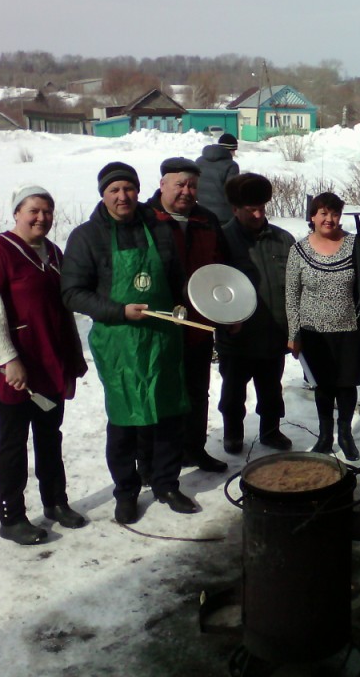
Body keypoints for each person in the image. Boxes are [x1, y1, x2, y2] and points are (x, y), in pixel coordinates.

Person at [61, 162, 197, 524]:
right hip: (118, 340)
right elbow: (73, 293)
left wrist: (185, 301)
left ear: (138, 191)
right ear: (103, 195)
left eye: (129, 189)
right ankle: (126, 491)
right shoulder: (86, 236)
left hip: (162, 336)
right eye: (114, 190)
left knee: (168, 413)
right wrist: (120, 311)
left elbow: (176, 278)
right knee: (125, 420)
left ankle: (167, 483)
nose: (123, 196)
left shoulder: (159, 228)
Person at [0, 185, 89, 545]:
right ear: (17, 213)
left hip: (49, 361)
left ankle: (56, 501)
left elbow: (62, 306)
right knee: (13, 441)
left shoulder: (53, 253)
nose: (42, 218)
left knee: (49, 435)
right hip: (16, 367)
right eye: (34, 211)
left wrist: (72, 354)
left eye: (48, 211)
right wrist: (9, 360)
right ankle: (12, 517)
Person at [146, 157, 229, 473]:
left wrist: (225, 311)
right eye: (179, 183)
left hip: (198, 323)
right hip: (159, 324)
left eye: (192, 185)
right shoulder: (146, 219)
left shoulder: (207, 219)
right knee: (158, 391)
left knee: (197, 390)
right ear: (163, 183)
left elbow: (221, 266)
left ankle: (194, 448)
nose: (186, 190)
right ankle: (152, 459)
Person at [217, 173, 295, 453]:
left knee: (271, 388)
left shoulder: (282, 240)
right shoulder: (221, 240)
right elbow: (213, 287)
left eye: (262, 207)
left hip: (273, 332)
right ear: (235, 209)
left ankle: (271, 431)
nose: (258, 213)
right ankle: (233, 434)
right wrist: (225, 322)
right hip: (237, 337)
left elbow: (295, 287)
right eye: (251, 209)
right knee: (234, 391)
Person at [285, 192, 360, 461]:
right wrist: (294, 333)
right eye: (323, 213)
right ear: (313, 217)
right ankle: (325, 436)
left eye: (335, 213)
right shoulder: (299, 250)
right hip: (313, 331)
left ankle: (345, 435)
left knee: (347, 385)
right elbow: (292, 295)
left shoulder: (354, 245)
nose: (329, 219)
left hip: (348, 328)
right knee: (324, 387)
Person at [195, 132, 240, 223]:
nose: (234, 154)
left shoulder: (199, 162)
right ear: (230, 150)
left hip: (201, 214)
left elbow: (194, 186)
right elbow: (232, 193)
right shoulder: (231, 166)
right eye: (234, 150)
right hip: (224, 217)